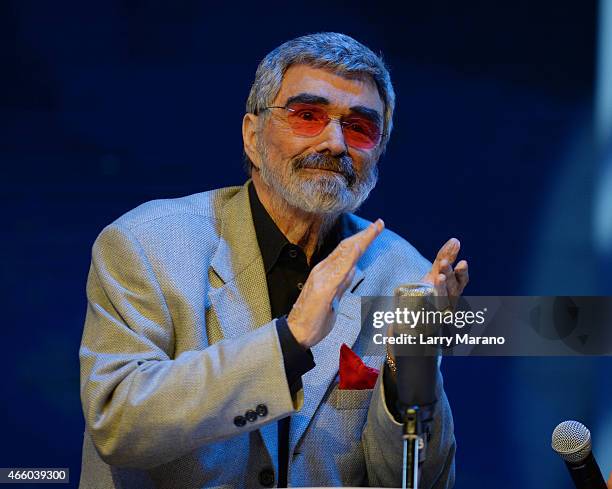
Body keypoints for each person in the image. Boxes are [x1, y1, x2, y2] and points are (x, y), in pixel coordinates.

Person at [79, 32, 469, 488]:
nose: (336, 143)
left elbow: (419, 482)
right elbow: (119, 422)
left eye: (360, 127)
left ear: (378, 151)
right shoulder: (147, 244)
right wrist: (289, 342)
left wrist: (412, 367)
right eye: (307, 116)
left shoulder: (403, 274)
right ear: (252, 136)